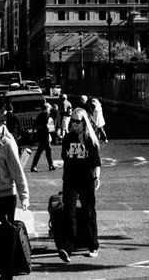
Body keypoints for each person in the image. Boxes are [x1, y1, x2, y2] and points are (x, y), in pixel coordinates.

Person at [0, 110, 29, 278]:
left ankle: (6, 274)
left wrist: (24, 195)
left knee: (6, 239)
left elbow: (17, 172)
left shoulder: (8, 144)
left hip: (6, 196)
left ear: (3, 126)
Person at [57, 106, 101, 263]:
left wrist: (96, 177)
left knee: (89, 212)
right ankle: (67, 248)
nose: (74, 124)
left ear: (84, 122)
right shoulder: (68, 138)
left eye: (78, 121)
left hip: (86, 180)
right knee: (69, 214)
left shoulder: (90, 139)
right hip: (70, 180)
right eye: (72, 120)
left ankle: (93, 245)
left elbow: (96, 162)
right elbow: (65, 157)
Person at [30, 101, 55, 172]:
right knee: (40, 150)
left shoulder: (39, 115)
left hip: (40, 134)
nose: (50, 109)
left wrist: (31, 135)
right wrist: (50, 134)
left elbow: (34, 126)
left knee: (48, 150)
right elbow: (49, 127)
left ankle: (51, 165)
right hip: (45, 134)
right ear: (47, 108)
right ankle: (34, 166)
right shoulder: (47, 115)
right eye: (49, 108)